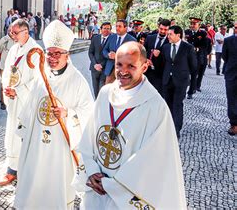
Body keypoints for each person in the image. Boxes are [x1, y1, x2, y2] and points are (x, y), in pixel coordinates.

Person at [73, 42, 186, 209]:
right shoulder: (105, 94)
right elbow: (89, 137)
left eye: (131, 66)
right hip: (96, 188)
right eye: (119, 64)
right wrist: (91, 170)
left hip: (125, 195)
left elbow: (152, 160)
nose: (123, 71)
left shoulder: (155, 107)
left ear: (145, 67)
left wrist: (111, 185)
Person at [14, 20, 94, 209]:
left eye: (58, 53)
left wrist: (68, 113)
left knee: (55, 188)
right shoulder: (42, 78)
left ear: (67, 54)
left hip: (61, 149)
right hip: (37, 145)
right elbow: (31, 106)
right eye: (49, 53)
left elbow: (88, 114)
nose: (52, 57)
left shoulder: (78, 81)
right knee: (34, 183)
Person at [0, 19, 40, 186]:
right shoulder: (14, 48)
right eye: (11, 32)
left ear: (26, 32)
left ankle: (26, 170)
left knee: (25, 135)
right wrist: (7, 87)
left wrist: (19, 90)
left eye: (15, 33)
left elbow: (39, 80)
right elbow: (7, 71)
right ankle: (12, 169)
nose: (12, 36)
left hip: (27, 101)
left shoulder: (36, 51)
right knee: (12, 134)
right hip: (14, 99)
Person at [162, 25, 197, 138]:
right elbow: (164, 64)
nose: (168, 36)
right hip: (167, 80)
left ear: (178, 35)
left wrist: (192, 86)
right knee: (167, 104)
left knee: (177, 104)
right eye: (168, 34)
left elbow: (193, 67)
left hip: (181, 82)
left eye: (170, 34)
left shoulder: (188, 48)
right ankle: (167, 126)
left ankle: (176, 129)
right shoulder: (166, 47)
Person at [102, 19, 136, 84]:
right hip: (110, 70)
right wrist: (108, 54)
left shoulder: (132, 40)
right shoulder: (111, 37)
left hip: (124, 71)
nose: (117, 28)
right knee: (108, 90)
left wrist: (117, 56)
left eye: (120, 26)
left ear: (125, 27)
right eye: (116, 26)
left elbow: (133, 57)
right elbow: (104, 50)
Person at [144, 18, 170, 95]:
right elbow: (143, 51)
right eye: (161, 29)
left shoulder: (170, 41)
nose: (162, 31)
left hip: (160, 74)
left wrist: (160, 54)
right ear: (158, 27)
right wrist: (146, 60)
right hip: (147, 72)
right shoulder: (150, 37)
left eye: (165, 30)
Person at [184, 17, 207, 98]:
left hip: (196, 56)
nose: (192, 25)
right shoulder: (186, 32)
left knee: (194, 74)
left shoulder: (202, 33)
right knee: (184, 73)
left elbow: (204, 45)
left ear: (199, 25)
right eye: (191, 23)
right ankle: (183, 90)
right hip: (186, 56)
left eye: (194, 24)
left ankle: (190, 92)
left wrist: (197, 48)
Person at [88, 22, 112, 98]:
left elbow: (110, 55)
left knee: (102, 90)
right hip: (94, 68)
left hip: (105, 69)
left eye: (108, 28)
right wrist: (95, 64)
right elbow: (90, 52)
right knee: (95, 90)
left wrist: (101, 65)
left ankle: (101, 105)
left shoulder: (112, 40)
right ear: (101, 29)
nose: (106, 30)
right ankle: (96, 106)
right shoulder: (95, 38)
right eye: (104, 28)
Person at [222, 22, 237, 135]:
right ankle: (234, 124)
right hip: (231, 74)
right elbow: (224, 56)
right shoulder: (228, 40)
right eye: (236, 27)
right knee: (231, 99)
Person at [0, 28, 16, 110]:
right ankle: (2, 102)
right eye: (11, 30)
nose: (13, 32)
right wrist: (3, 62)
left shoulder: (17, 40)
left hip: (14, 68)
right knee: (3, 84)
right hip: (4, 66)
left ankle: (11, 101)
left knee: (13, 84)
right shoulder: (3, 40)